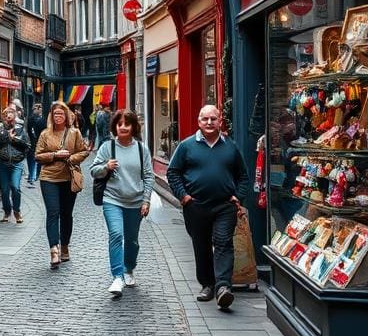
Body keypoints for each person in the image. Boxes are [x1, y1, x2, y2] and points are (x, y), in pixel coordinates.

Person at [167, 104, 251, 310]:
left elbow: (243, 176)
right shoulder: (187, 146)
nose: (209, 123)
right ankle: (207, 285)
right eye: (205, 119)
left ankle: (223, 287)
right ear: (199, 121)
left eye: (213, 119)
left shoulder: (230, 146)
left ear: (220, 121)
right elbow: (173, 172)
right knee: (201, 244)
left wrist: (237, 197)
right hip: (196, 206)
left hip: (224, 206)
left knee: (223, 243)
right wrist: (183, 196)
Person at [90, 109, 154, 298]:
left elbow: (148, 176)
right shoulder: (107, 147)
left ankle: (129, 268)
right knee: (116, 235)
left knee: (132, 241)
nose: (123, 127)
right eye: (120, 124)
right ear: (115, 127)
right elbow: (93, 171)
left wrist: (146, 200)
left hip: (135, 201)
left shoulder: (142, 149)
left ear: (133, 127)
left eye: (127, 124)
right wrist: (105, 167)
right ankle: (117, 276)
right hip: (113, 199)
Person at [35, 101, 90, 269]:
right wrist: (55, 155)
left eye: (61, 114)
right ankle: (54, 249)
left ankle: (65, 245)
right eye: (55, 114)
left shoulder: (74, 133)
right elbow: (38, 155)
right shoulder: (45, 134)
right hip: (49, 178)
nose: (58, 116)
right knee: (53, 213)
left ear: (66, 116)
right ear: (51, 116)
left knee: (66, 214)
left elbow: (84, 151)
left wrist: (72, 158)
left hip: (68, 178)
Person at [0, 105, 29, 223]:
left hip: (17, 163)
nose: (8, 116)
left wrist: (15, 139)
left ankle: (16, 211)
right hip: (2, 163)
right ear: (3, 117)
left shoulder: (21, 129)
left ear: (15, 116)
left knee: (15, 187)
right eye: (6, 115)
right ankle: (7, 211)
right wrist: (7, 137)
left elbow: (27, 145)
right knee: (5, 190)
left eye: (11, 114)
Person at [25, 103, 44, 188]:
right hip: (33, 142)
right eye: (34, 108)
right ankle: (32, 176)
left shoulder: (44, 119)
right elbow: (29, 130)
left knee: (39, 159)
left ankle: (36, 175)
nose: (35, 110)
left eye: (37, 108)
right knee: (32, 159)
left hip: (41, 142)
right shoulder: (31, 119)